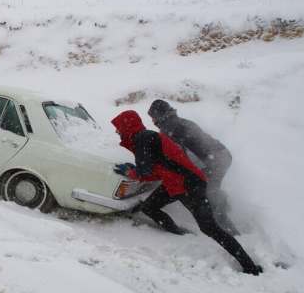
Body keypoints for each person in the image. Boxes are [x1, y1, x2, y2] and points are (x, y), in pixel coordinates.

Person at [111, 110, 262, 275]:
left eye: (118, 127)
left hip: (189, 186)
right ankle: (180, 234)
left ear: (128, 126)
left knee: (210, 228)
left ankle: (250, 267)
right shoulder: (146, 137)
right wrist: (134, 171)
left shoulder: (143, 139)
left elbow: (145, 172)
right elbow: (156, 170)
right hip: (176, 184)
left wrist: (131, 171)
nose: (117, 131)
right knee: (150, 207)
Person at [148, 99, 238, 235]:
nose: (153, 122)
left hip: (215, 161)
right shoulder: (181, 121)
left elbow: (178, 156)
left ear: (158, 115)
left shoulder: (168, 128)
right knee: (211, 189)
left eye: (153, 118)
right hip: (223, 155)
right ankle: (224, 206)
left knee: (209, 195)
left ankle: (232, 232)